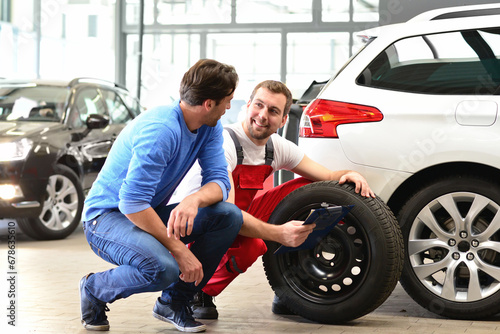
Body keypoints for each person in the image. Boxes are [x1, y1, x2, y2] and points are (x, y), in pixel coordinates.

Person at [172, 80, 375, 320]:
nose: (263, 115)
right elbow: (228, 212)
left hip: (239, 214)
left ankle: (291, 285)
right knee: (253, 246)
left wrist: (349, 175)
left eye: (273, 111)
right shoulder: (225, 142)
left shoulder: (276, 147)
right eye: (259, 105)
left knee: (311, 188)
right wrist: (278, 233)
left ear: (284, 119)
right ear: (247, 106)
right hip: (201, 224)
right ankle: (200, 290)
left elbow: (328, 177)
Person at [79, 59, 243, 333]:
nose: (229, 107)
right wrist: (180, 251)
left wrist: (194, 200)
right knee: (163, 268)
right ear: (209, 104)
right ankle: (94, 288)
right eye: (228, 101)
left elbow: (220, 182)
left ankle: (173, 304)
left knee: (228, 216)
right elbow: (130, 202)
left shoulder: (209, 127)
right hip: (105, 219)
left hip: (144, 213)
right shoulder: (161, 131)